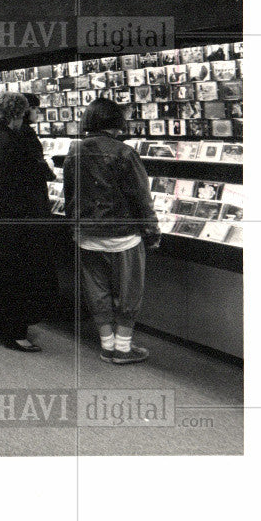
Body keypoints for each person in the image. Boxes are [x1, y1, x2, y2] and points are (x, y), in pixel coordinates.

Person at [63, 97, 161, 364]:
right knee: (130, 293)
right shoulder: (125, 153)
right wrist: (152, 233)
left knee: (97, 292)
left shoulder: (75, 150)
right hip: (123, 235)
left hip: (87, 235)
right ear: (115, 123)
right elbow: (141, 197)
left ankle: (107, 346)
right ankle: (123, 348)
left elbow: (70, 194)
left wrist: (75, 227)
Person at [0, 91, 58, 351]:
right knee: (19, 273)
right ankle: (15, 331)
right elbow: (28, 176)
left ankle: (1, 325)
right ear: (18, 113)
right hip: (16, 218)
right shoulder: (14, 141)